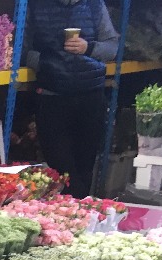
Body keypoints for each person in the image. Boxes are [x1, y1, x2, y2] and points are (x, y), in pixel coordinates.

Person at [26, 0, 120, 197]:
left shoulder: (94, 5)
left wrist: (88, 47)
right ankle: (74, 207)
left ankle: (78, 210)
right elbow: (20, 47)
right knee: (60, 168)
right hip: (53, 98)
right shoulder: (37, 6)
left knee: (85, 166)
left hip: (90, 97)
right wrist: (45, 63)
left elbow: (112, 47)